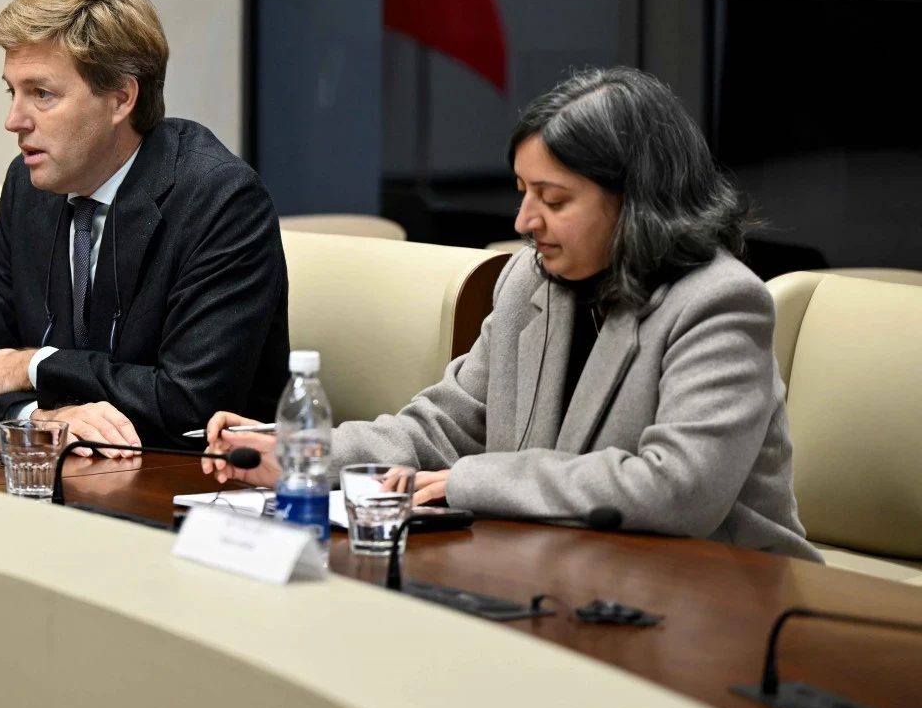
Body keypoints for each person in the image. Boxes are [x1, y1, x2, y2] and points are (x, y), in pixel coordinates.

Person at [204, 67, 819, 561]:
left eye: (553, 199)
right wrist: (304, 451)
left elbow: (677, 490)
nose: (525, 221)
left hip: (719, 595)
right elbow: (445, 427)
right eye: (524, 193)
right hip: (563, 567)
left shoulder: (718, 302)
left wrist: (472, 482)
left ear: (638, 201)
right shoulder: (534, 278)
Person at [0, 0, 288, 450]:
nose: (13, 120)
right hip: (58, 466)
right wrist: (39, 416)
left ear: (121, 98)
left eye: (41, 94)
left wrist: (33, 365)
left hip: (191, 478)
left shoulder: (220, 199)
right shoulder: (28, 186)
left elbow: (191, 405)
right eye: (11, 92)